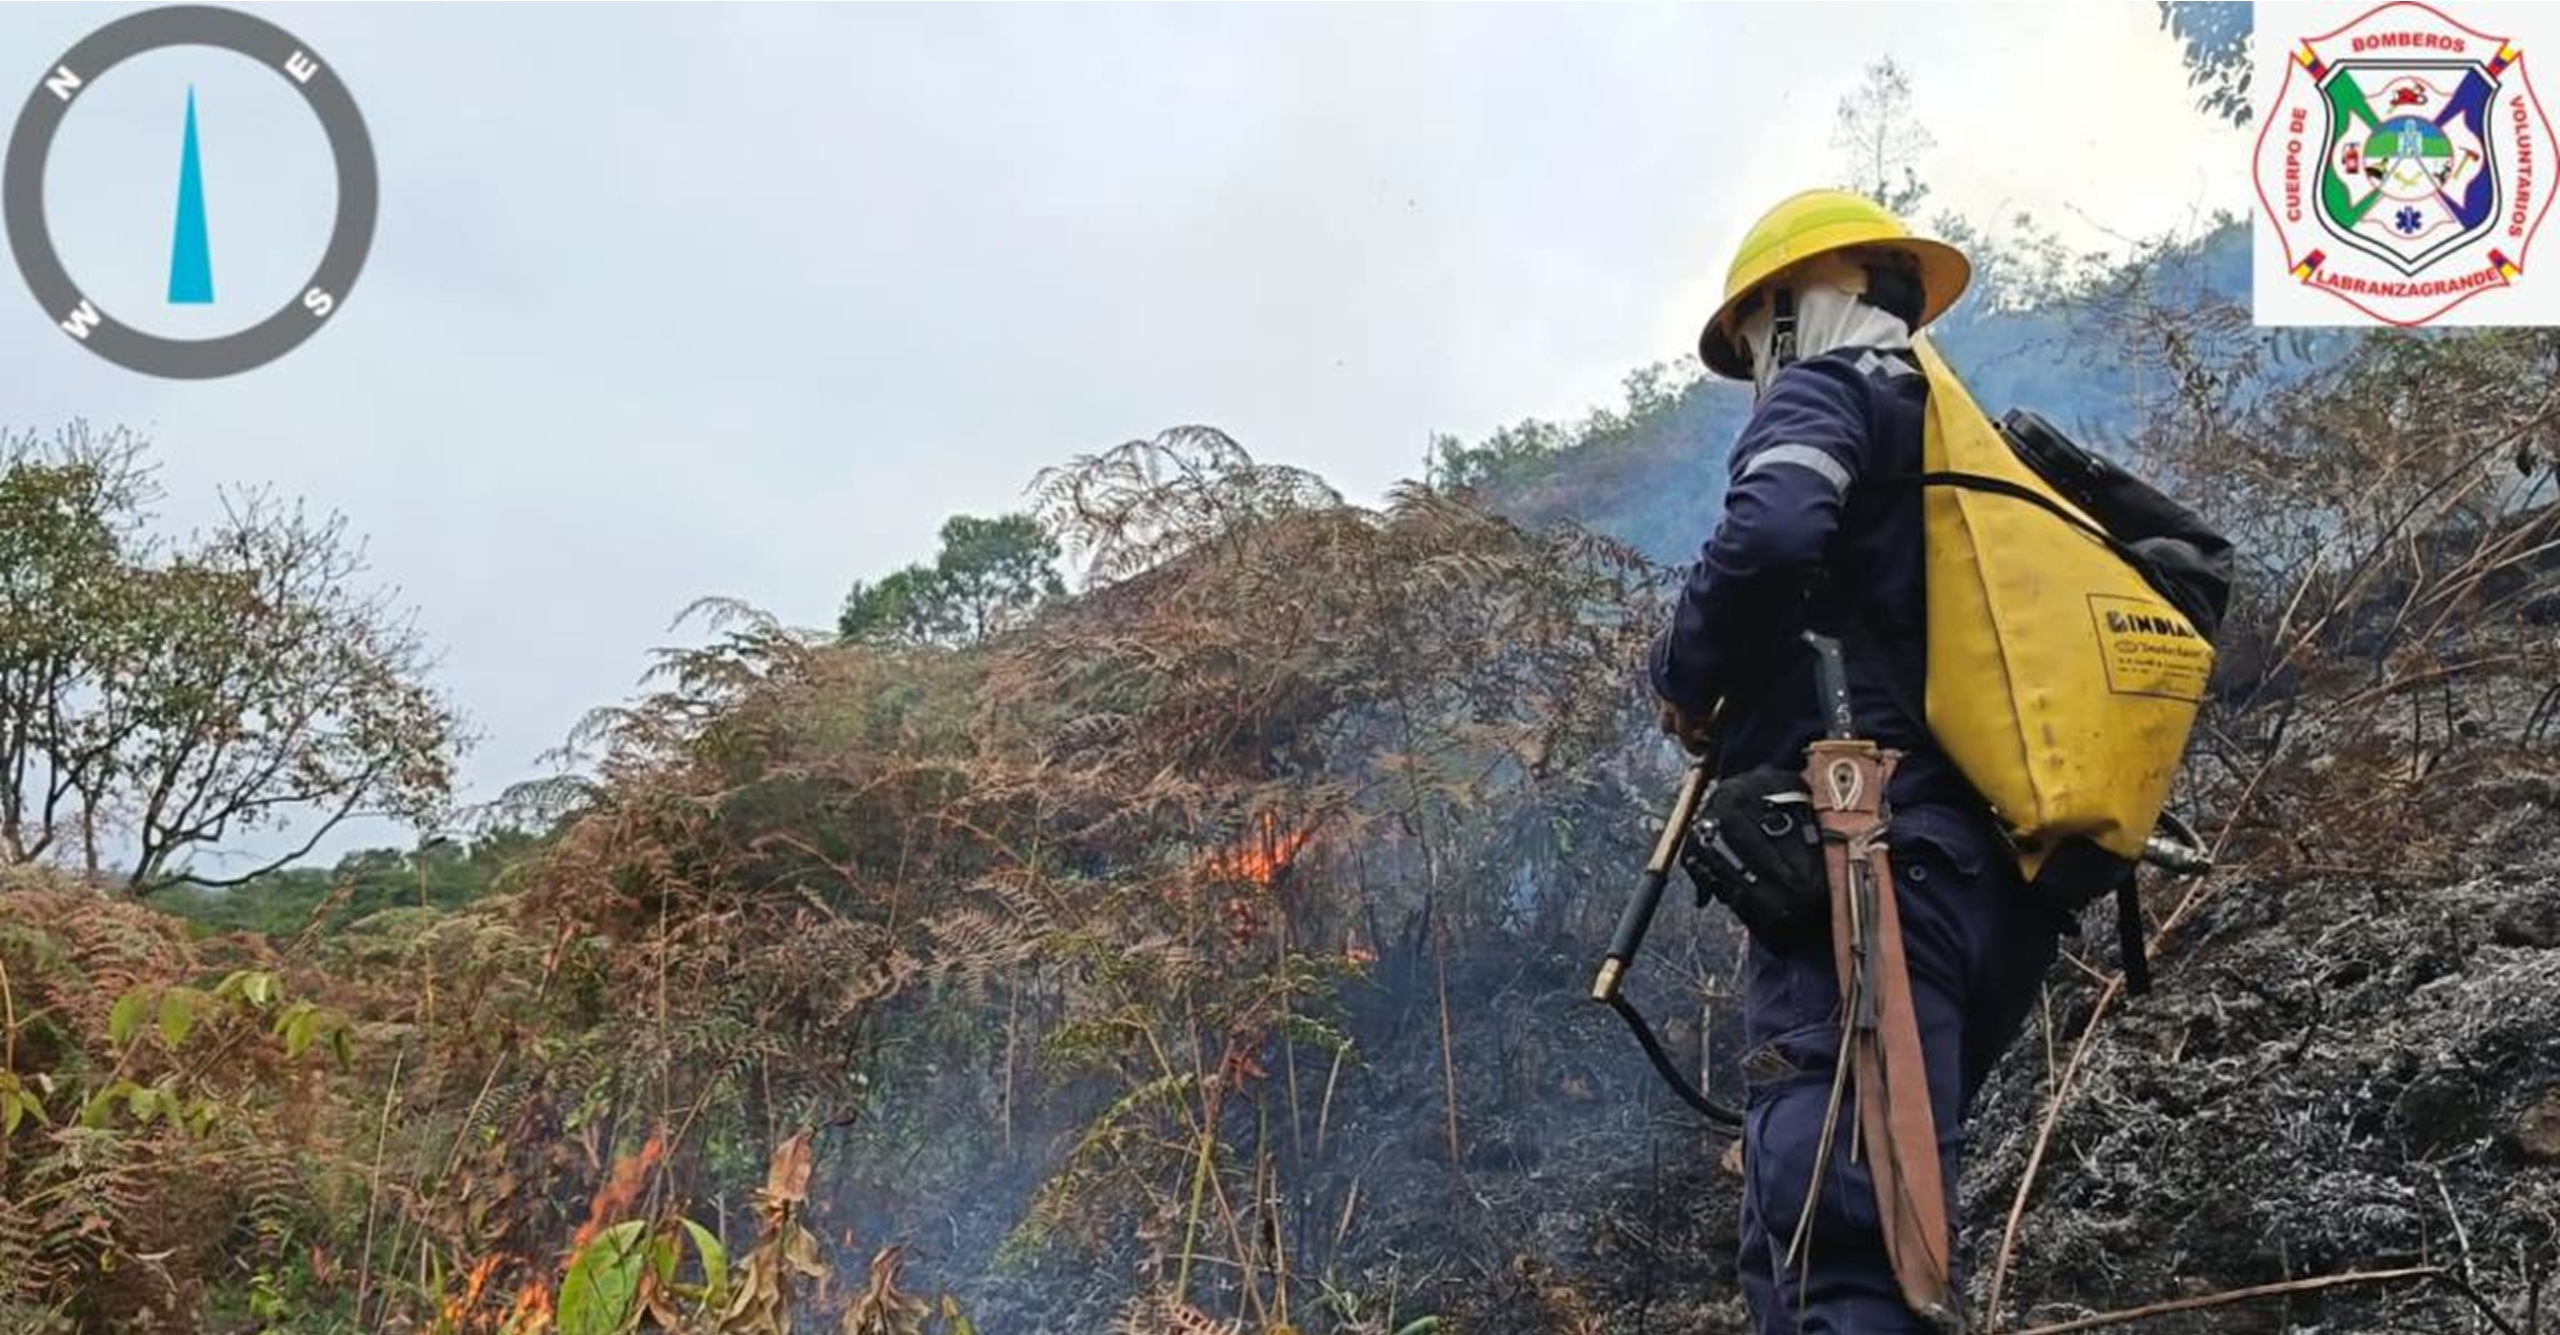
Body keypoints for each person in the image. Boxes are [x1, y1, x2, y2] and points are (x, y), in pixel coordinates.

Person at [1649, 189, 2064, 1332]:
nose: (1755, 368)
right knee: (1889, 1217)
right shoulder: (1957, 444)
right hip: (1985, 887)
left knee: (1835, 1246)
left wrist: (1685, 675)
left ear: (1787, 312)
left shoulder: (1837, 389)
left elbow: (1773, 528)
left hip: (1866, 868)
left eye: (1750, 345)